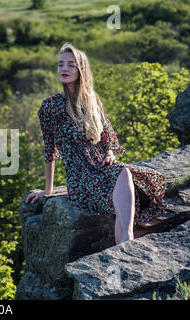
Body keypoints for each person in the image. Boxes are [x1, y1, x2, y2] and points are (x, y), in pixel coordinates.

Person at [25, 43, 169, 245]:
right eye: (60, 65)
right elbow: (49, 150)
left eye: (70, 65)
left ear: (81, 70)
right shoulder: (50, 106)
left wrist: (110, 152)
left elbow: (108, 135)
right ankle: (128, 240)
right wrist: (47, 192)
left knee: (125, 177)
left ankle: (124, 245)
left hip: (102, 168)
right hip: (80, 178)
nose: (64, 69)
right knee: (124, 178)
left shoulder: (92, 102)